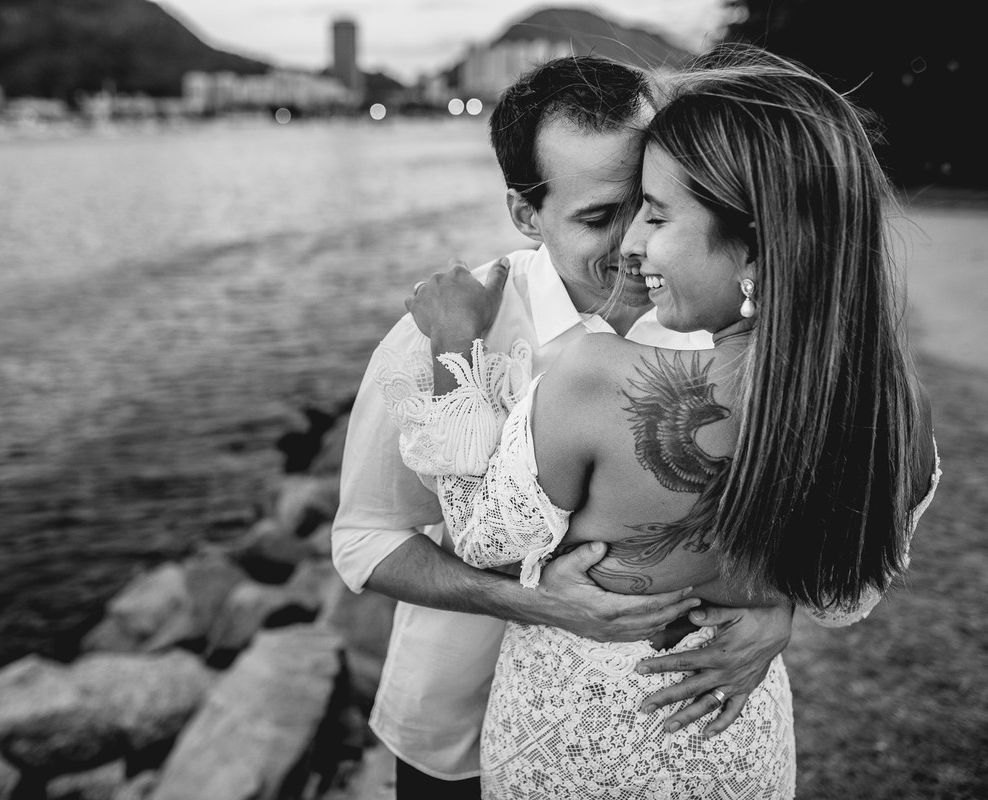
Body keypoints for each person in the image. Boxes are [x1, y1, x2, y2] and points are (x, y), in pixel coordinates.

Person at [380, 44, 940, 797]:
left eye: (657, 213)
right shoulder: (890, 404)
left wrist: (455, 346)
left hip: (571, 750)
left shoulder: (597, 380)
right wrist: (770, 606)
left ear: (753, 246)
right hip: (733, 743)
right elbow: (843, 594)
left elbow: (481, 534)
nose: (634, 245)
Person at [331, 55, 796, 798]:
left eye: (651, 200)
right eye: (598, 216)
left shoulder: (716, 320)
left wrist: (780, 610)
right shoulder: (438, 336)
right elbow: (363, 539)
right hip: (455, 720)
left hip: (649, 730)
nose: (636, 239)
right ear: (525, 213)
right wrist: (527, 600)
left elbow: (780, 503)